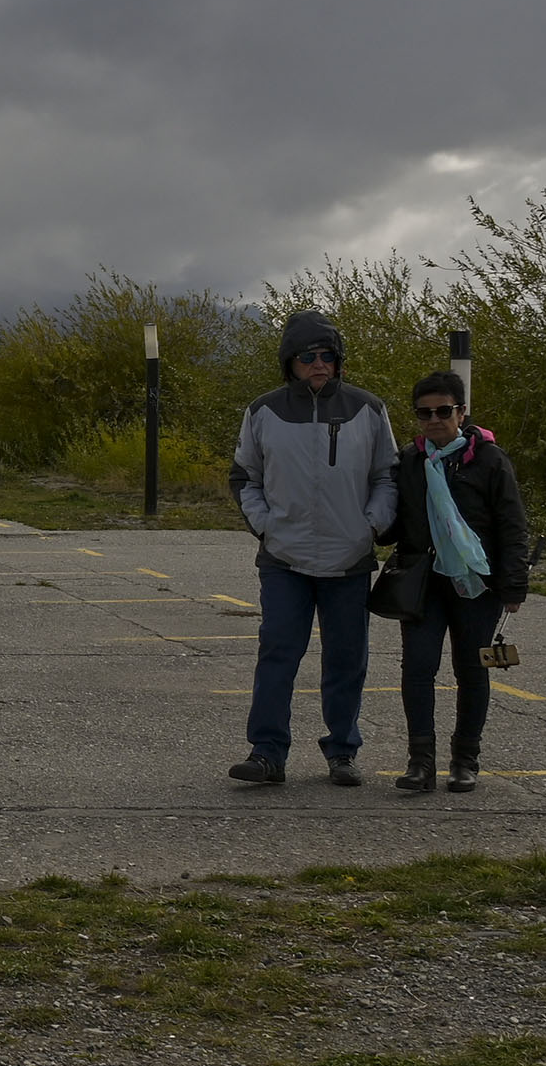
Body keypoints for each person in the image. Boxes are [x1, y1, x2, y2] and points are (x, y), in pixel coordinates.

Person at [225, 312, 398, 786]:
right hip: (284, 559)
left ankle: (342, 752)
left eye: (327, 356)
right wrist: (267, 528)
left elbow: (387, 476)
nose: (318, 364)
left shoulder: (369, 409)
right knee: (278, 653)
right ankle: (266, 753)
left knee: (346, 659)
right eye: (307, 357)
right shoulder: (263, 411)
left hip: (350, 559)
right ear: (291, 363)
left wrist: (370, 526)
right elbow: (245, 478)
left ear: (338, 361)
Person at [383, 370, 530, 793]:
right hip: (423, 582)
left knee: (471, 670)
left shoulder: (489, 460)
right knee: (417, 668)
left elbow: (512, 525)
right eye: (424, 412)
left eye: (443, 411)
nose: (433, 419)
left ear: (462, 412)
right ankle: (420, 763)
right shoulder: (410, 461)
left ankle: (465, 761)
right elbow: (393, 522)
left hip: (477, 585)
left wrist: (513, 586)